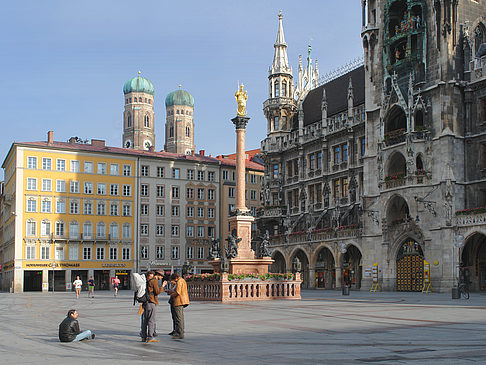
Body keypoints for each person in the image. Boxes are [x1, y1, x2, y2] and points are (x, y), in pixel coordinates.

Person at [141, 271, 164, 343]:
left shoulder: (147, 281)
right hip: (151, 302)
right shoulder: (154, 281)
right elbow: (157, 292)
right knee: (151, 320)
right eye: (161, 276)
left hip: (146, 302)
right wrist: (163, 286)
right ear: (158, 275)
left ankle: (143, 337)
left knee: (145, 320)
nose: (162, 277)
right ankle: (150, 336)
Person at [167, 272, 190, 340]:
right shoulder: (180, 281)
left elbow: (178, 292)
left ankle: (180, 333)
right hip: (177, 301)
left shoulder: (180, 281)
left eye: (174, 280)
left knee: (179, 318)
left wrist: (171, 294)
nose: (173, 281)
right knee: (176, 317)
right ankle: (176, 331)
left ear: (176, 278)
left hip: (179, 301)